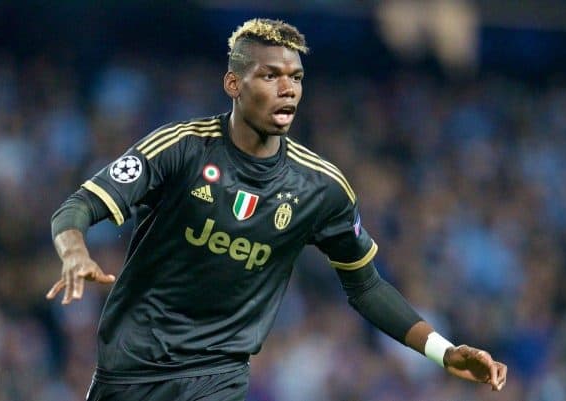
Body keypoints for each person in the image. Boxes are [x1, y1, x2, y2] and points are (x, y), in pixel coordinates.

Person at [46, 18, 507, 401]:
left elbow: (366, 287)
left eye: (296, 78)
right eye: (270, 76)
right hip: (128, 371)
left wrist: (443, 353)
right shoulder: (183, 147)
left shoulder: (321, 188)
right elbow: (78, 205)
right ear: (233, 83)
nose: (288, 89)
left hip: (218, 377)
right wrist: (73, 250)